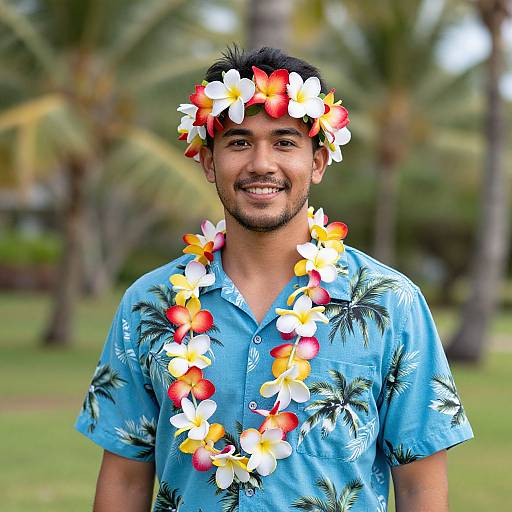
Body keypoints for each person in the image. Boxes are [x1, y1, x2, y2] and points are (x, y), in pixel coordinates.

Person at [75, 46, 473, 512]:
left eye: (285, 141)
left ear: (318, 162)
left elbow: (421, 486)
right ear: (208, 162)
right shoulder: (149, 304)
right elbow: (123, 481)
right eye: (239, 142)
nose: (261, 163)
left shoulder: (391, 303)